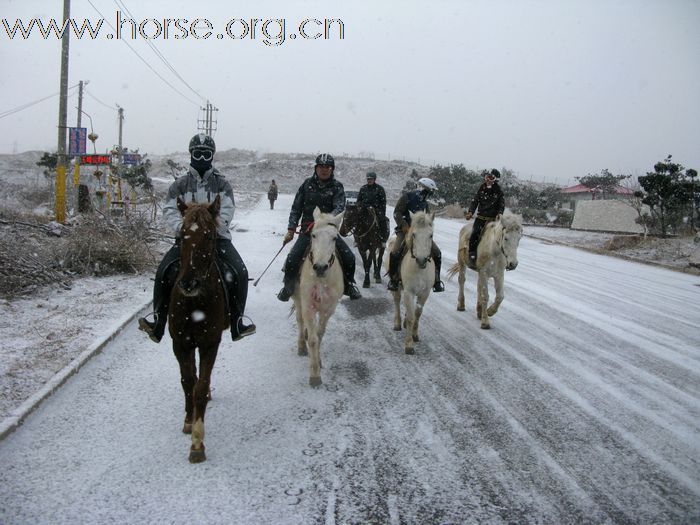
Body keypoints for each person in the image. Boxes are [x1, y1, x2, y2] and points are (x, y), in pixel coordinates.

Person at [138, 133, 256, 343]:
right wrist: (184, 230)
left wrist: (211, 230)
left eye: (206, 154)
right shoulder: (180, 185)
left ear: (212, 156)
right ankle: (158, 321)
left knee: (240, 271)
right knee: (164, 271)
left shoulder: (222, 184)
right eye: (198, 154)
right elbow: (169, 209)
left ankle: (237, 322)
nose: (202, 159)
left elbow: (227, 209)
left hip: (217, 239)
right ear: (191, 154)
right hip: (187, 241)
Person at [277, 153, 362, 302]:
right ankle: (288, 286)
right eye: (321, 167)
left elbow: (339, 207)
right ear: (316, 168)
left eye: (327, 167)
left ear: (332, 169)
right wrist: (291, 229)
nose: (324, 170)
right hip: (308, 231)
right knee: (292, 258)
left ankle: (349, 285)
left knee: (349, 257)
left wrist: (325, 221)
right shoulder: (306, 185)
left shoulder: (337, 187)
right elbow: (296, 208)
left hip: (328, 231)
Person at [387, 177, 445, 292]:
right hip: (405, 232)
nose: (429, 194)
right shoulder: (407, 197)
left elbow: (427, 219)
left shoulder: (425, 203)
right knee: (395, 252)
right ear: (424, 189)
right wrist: (404, 225)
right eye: (429, 191)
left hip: (420, 234)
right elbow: (397, 212)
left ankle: (436, 280)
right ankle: (393, 279)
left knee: (437, 253)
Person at [464, 168, 506, 270]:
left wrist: (500, 213)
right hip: (481, 218)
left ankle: (503, 259)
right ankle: (472, 256)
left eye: (490, 177)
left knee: (501, 238)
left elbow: (502, 205)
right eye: (487, 177)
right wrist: (470, 211)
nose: (487, 179)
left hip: (493, 220)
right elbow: (475, 201)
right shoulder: (482, 188)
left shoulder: (499, 192)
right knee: (474, 235)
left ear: (495, 180)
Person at [356, 171, 389, 241]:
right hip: (364, 210)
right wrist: (362, 206)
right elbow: (359, 201)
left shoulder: (380, 189)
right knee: (356, 220)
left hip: (376, 211)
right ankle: (357, 238)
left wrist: (380, 212)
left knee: (383, 222)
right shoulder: (363, 188)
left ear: (374, 179)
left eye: (371, 179)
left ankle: (383, 239)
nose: (369, 180)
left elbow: (383, 202)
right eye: (368, 179)